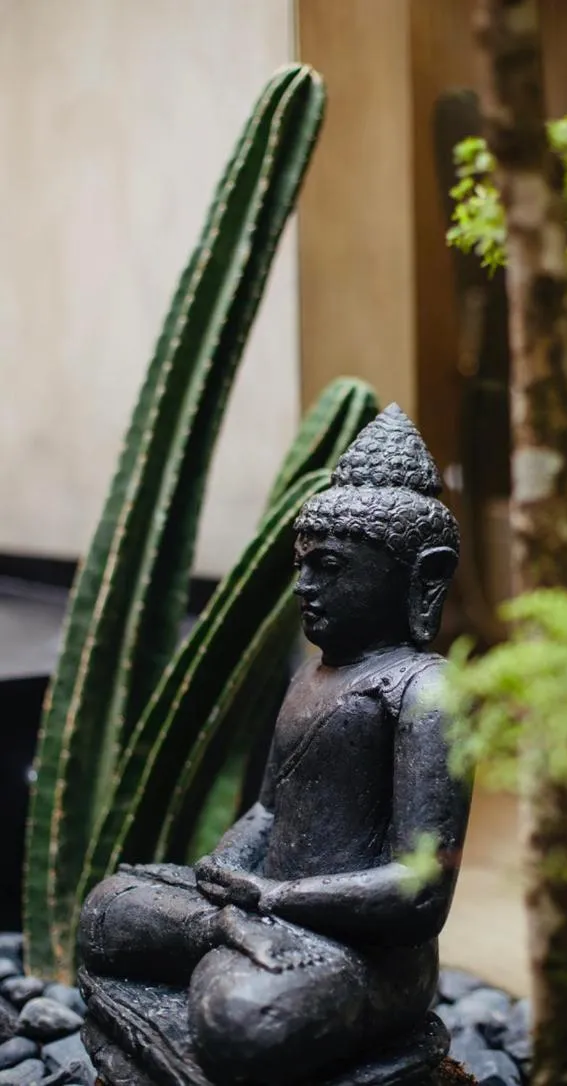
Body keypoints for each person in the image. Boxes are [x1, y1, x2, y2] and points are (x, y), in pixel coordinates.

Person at [78, 405, 471, 1085]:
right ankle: (220, 942)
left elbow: (419, 889)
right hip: (260, 915)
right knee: (107, 908)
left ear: (420, 577)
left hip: (363, 953)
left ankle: (206, 1000)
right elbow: (267, 813)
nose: (304, 586)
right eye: (301, 564)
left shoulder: (425, 691)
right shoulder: (308, 675)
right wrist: (223, 881)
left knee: (243, 1019)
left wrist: (272, 898)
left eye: (329, 567)